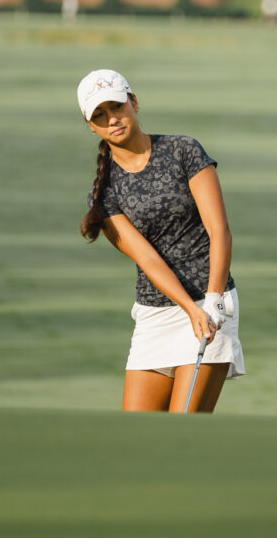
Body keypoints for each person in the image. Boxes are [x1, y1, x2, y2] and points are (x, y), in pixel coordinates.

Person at [77, 69, 244, 413]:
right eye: (100, 115)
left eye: (116, 107)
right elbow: (149, 260)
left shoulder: (183, 150)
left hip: (212, 304)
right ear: (91, 126)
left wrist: (211, 299)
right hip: (156, 316)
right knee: (135, 437)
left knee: (182, 430)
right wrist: (187, 307)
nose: (112, 119)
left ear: (134, 103)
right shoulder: (103, 194)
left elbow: (219, 230)